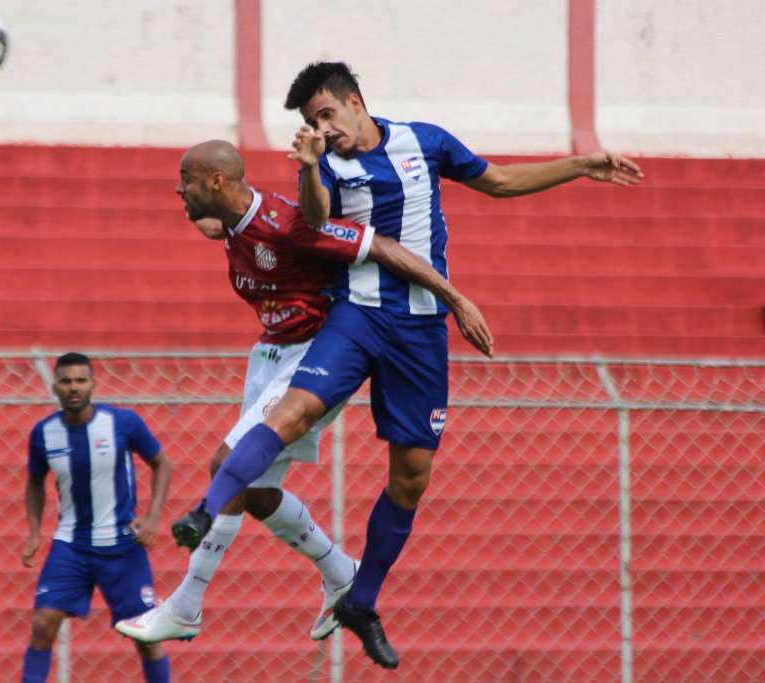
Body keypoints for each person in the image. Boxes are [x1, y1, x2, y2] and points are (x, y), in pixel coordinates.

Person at [172, 62, 644, 670]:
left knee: (412, 476)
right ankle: (206, 509)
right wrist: (310, 164)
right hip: (355, 316)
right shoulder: (324, 165)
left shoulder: (425, 141)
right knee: (292, 412)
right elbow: (311, 219)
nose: (322, 127)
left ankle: (359, 600)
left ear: (354, 101)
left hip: (421, 330)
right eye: (311, 122)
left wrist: (581, 165)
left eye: (326, 114)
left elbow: (497, 181)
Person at [116, 140, 492, 647]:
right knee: (257, 491)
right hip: (268, 354)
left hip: (313, 356)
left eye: (186, 179)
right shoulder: (231, 219)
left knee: (226, 465)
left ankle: (186, 606)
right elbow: (224, 224)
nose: (177, 188)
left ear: (217, 182)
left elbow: (379, 246)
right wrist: (208, 220)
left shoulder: (288, 224)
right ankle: (340, 571)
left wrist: (456, 299)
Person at [20, 352, 173, 683]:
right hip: (71, 544)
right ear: (55, 386)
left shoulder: (122, 423)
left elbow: (162, 463)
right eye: (66, 381)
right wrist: (34, 532)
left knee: (145, 636)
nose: (74, 387)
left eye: (81, 380)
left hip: (121, 544)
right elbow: (34, 482)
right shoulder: (44, 433)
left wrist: (152, 516)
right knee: (43, 623)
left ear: (93, 384)